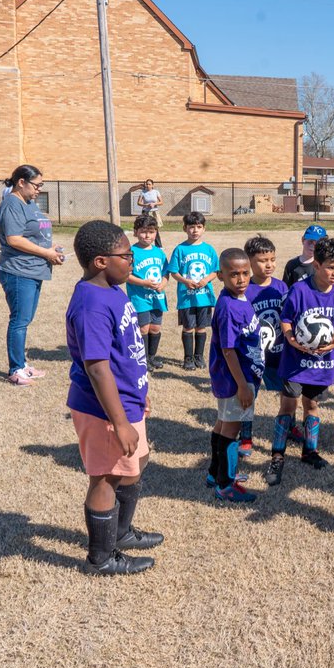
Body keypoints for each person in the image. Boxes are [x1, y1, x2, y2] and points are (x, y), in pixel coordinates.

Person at [65, 219, 161, 576]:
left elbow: (126, 353)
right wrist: (120, 422)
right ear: (101, 261)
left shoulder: (113, 290)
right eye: (127, 254)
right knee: (105, 477)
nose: (133, 259)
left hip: (127, 401)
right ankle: (101, 557)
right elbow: (98, 368)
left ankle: (121, 532)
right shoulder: (91, 303)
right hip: (103, 409)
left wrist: (140, 394)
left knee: (136, 463)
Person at [266, 236, 334, 486]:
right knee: (288, 407)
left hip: (322, 363)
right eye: (330, 267)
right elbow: (287, 319)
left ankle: (309, 451)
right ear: (317, 265)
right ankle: (277, 455)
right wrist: (292, 339)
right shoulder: (300, 290)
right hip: (295, 361)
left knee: (312, 406)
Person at [0, 164, 65, 387]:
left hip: (35, 269)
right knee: (19, 320)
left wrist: (52, 248)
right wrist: (46, 252)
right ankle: (16, 369)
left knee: (25, 319)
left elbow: (34, 234)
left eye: (41, 185)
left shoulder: (29, 203)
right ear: (21, 182)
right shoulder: (12, 204)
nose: (39, 189)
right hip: (19, 271)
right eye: (37, 185)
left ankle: (23, 364)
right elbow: (14, 239)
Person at [207, 247, 263, 503]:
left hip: (239, 375)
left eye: (245, 273)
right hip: (235, 379)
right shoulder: (229, 307)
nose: (241, 280)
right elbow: (228, 350)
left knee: (222, 424)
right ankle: (225, 484)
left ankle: (214, 474)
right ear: (220, 275)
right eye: (233, 275)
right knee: (231, 429)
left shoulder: (239, 298)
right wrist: (242, 385)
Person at [244, 235, 288, 458]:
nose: (269, 264)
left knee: (288, 394)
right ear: (249, 262)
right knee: (249, 395)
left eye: (272, 259)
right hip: (254, 355)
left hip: (279, 352)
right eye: (262, 260)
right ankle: (245, 436)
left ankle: (288, 428)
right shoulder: (245, 290)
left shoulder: (281, 287)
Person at [166, 212, 219, 371]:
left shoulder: (209, 249)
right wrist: (186, 281)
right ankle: (188, 358)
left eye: (199, 227)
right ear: (185, 228)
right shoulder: (180, 249)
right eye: (191, 227)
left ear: (204, 229)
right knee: (188, 327)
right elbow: (174, 271)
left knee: (201, 327)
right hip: (186, 298)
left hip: (204, 298)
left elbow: (215, 271)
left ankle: (199, 356)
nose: (195, 230)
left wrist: (206, 280)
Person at [126, 214, 168, 370]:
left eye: (151, 231)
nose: (147, 235)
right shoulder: (131, 252)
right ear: (136, 232)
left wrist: (163, 284)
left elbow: (166, 273)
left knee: (155, 328)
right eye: (143, 231)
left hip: (157, 297)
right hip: (140, 298)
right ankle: (142, 359)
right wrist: (143, 282)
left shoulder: (159, 252)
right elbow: (126, 275)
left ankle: (152, 357)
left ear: (156, 232)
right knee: (143, 328)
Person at [137, 179, 164, 248]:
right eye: (147, 184)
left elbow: (161, 202)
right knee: (144, 227)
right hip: (145, 212)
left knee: (155, 228)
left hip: (154, 212)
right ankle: (144, 243)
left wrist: (154, 203)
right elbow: (138, 202)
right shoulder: (143, 192)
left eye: (149, 184)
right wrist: (145, 205)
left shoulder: (156, 192)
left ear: (152, 185)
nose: (148, 185)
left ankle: (159, 246)